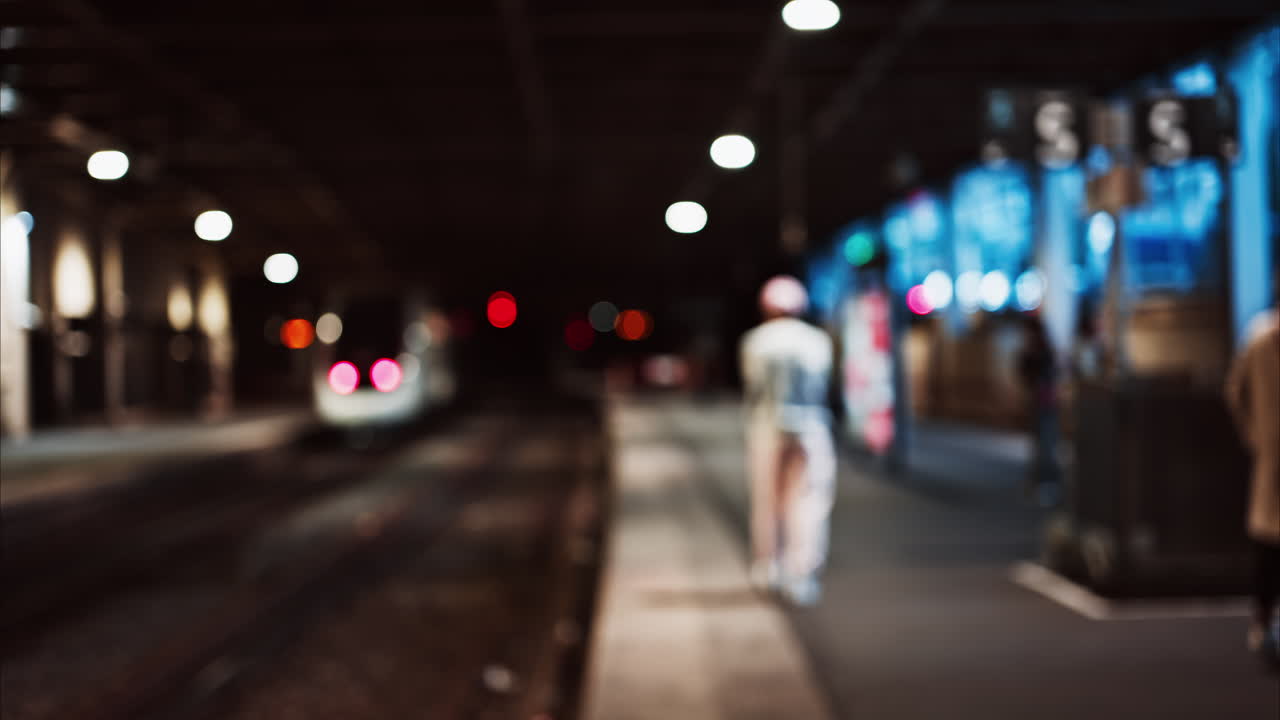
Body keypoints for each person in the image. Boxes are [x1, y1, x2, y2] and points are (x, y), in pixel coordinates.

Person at [739, 275, 835, 605]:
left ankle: (768, 565)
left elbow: (753, 387)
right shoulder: (817, 341)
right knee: (808, 500)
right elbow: (823, 386)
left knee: (767, 498)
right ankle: (802, 574)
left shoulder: (755, 341)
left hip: (767, 425)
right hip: (810, 426)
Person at [1225, 277, 1280, 667]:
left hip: (1269, 454)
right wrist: (1255, 435)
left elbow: (1233, 392)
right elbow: (1235, 391)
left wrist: (1253, 435)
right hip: (1272, 456)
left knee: (1266, 544)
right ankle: (1262, 623)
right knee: (1266, 546)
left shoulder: (1260, 336)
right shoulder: (1261, 338)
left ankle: (1262, 623)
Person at [1017, 314, 1061, 506]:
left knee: (1046, 443)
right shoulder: (1036, 349)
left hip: (1045, 402)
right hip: (1041, 402)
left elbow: (1042, 373)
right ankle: (1040, 481)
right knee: (1041, 442)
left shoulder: (1042, 350)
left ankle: (1047, 482)